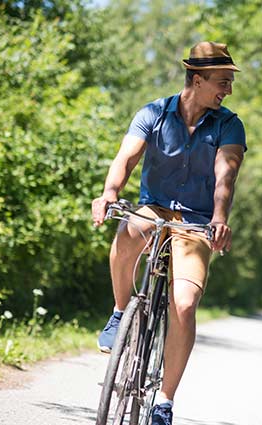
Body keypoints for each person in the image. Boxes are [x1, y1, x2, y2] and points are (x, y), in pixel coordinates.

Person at [91, 41, 246, 425]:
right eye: (222, 82)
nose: (228, 90)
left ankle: (164, 401)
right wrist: (109, 193)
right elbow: (126, 158)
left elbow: (225, 174)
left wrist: (220, 216)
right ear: (197, 79)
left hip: (196, 219)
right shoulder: (154, 113)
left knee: (185, 304)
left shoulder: (229, 124)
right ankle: (119, 311)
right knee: (131, 228)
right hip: (155, 206)